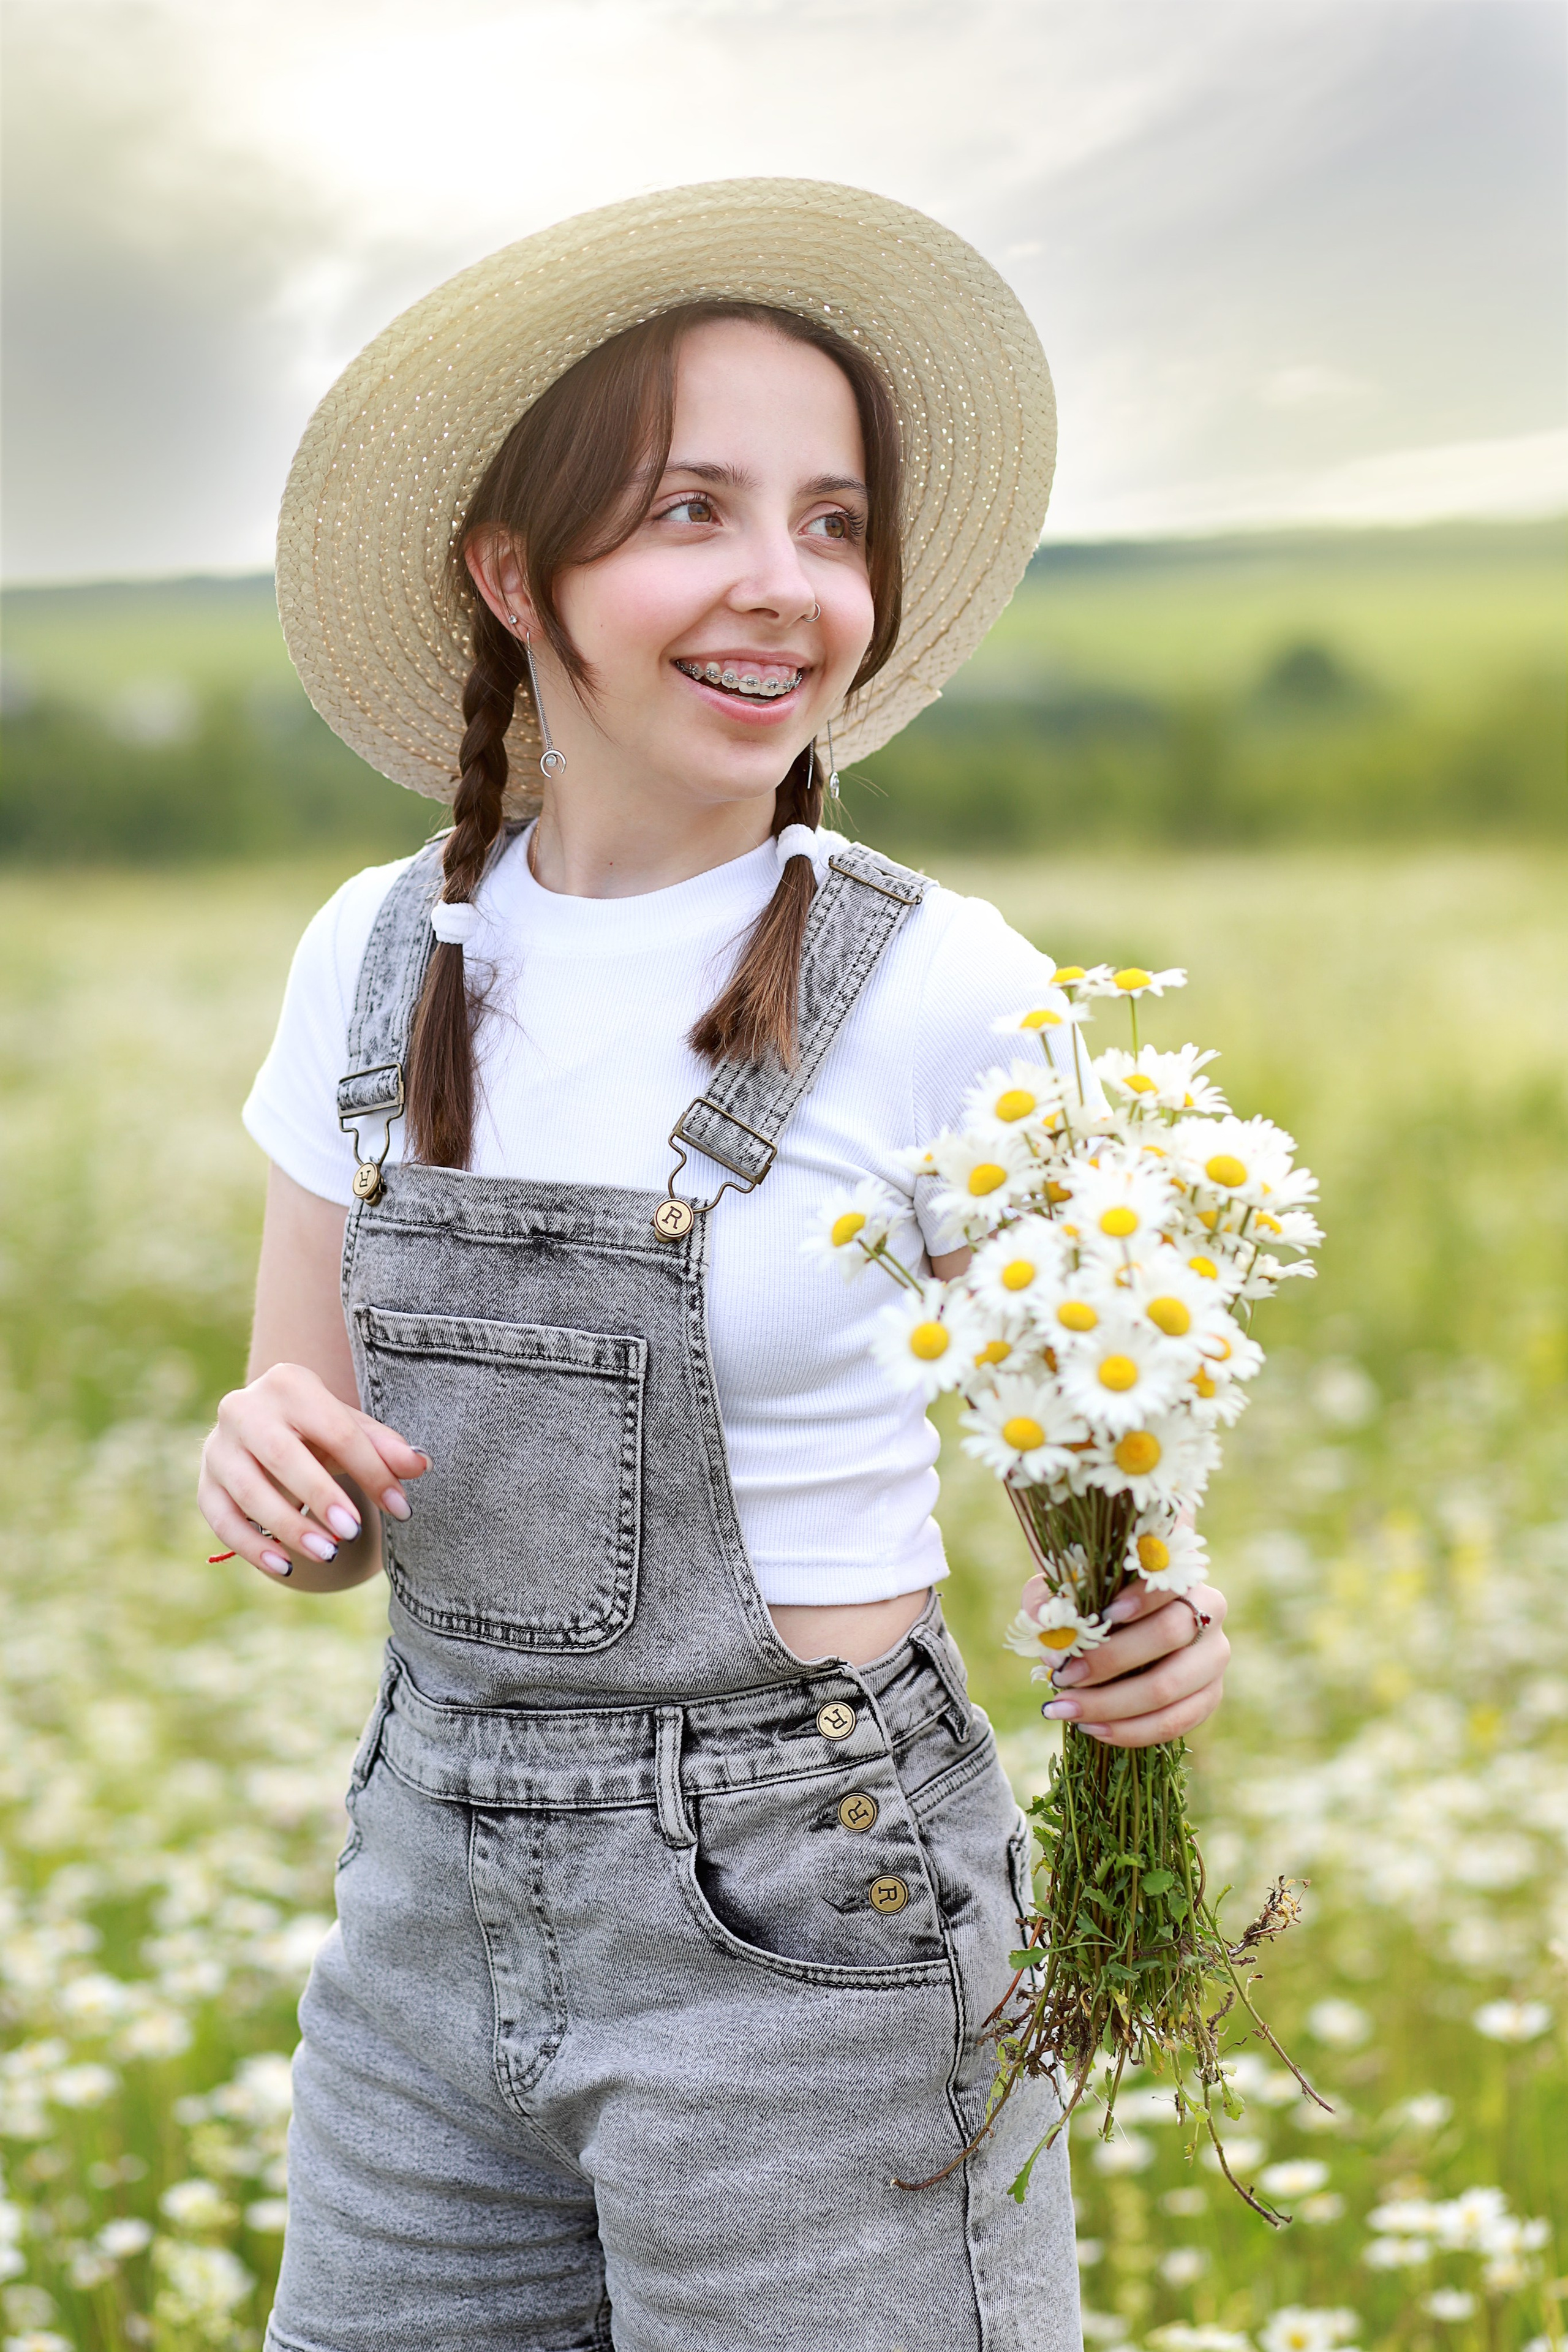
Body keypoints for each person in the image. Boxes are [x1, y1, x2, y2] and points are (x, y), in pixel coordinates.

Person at [200, 179, 1230, 2352]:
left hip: (813, 1924)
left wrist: (1154, 1635)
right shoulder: (375, 953)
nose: (787, 587)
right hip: (422, 1914)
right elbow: (323, 1507)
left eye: (835, 522)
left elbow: (1111, 1470)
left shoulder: (946, 985)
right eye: (695, 508)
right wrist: (270, 1469)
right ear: (513, 570)